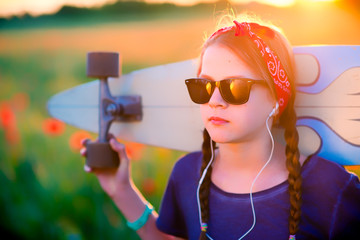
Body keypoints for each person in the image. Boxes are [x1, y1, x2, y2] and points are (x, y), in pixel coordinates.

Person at [80, 15, 360, 240]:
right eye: (203, 86)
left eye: (235, 87)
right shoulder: (188, 174)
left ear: (277, 100)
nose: (214, 101)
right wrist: (121, 190)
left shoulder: (333, 189)